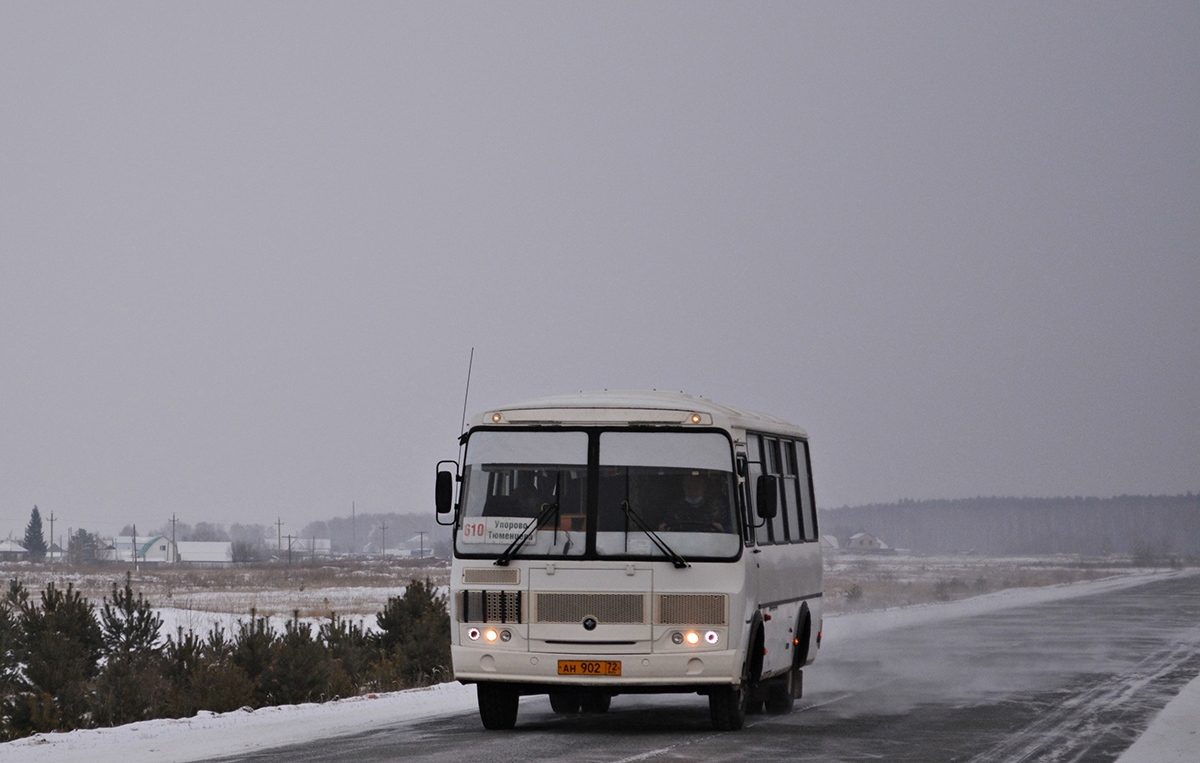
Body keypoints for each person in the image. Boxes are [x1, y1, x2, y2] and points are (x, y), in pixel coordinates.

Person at [658, 472, 731, 532]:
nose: (692, 490)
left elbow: (732, 531)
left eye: (696, 486)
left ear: (704, 487)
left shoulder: (718, 508)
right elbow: (667, 526)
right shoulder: (675, 509)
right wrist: (663, 528)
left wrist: (721, 529)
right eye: (687, 486)